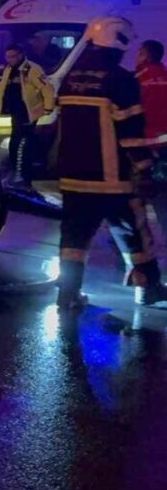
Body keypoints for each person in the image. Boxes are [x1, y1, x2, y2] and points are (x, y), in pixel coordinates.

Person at [55, 16, 165, 310]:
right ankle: (150, 288)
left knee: (73, 239)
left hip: (73, 177)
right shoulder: (120, 79)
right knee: (135, 232)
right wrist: (145, 168)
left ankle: (67, 295)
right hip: (112, 179)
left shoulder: (70, 78)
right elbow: (130, 132)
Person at [0, 44, 55, 186]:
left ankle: (23, 175)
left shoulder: (31, 69)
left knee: (23, 143)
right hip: (16, 111)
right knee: (15, 142)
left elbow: (46, 88)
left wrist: (48, 107)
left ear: (20, 55)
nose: (9, 60)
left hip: (28, 112)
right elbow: (3, 88)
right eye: (7, 57)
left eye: (13, 56)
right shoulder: (8, 69)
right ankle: (15, 171)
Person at [134, 40, 167, 231]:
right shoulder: (165, 75)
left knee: (134, 198)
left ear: (146, 55)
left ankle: (130, 243)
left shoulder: (137, 79)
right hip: (164, 147)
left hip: (142, 147)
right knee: (163, 196)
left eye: (139, 53)